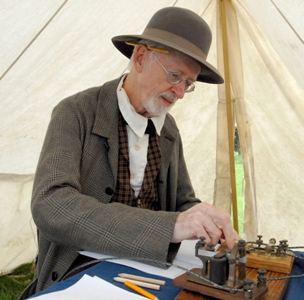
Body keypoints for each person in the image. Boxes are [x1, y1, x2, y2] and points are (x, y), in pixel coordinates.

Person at [19, 6, 239, 299]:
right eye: (175, 75)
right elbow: (51, 204)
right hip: (79, 271)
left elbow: (182, 201)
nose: (180, 92)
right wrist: (169, 226)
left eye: (188, 83)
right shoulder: (76, 113)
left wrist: (202, 216)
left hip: (148, 269)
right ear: (140, 57)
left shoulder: (168, 130)